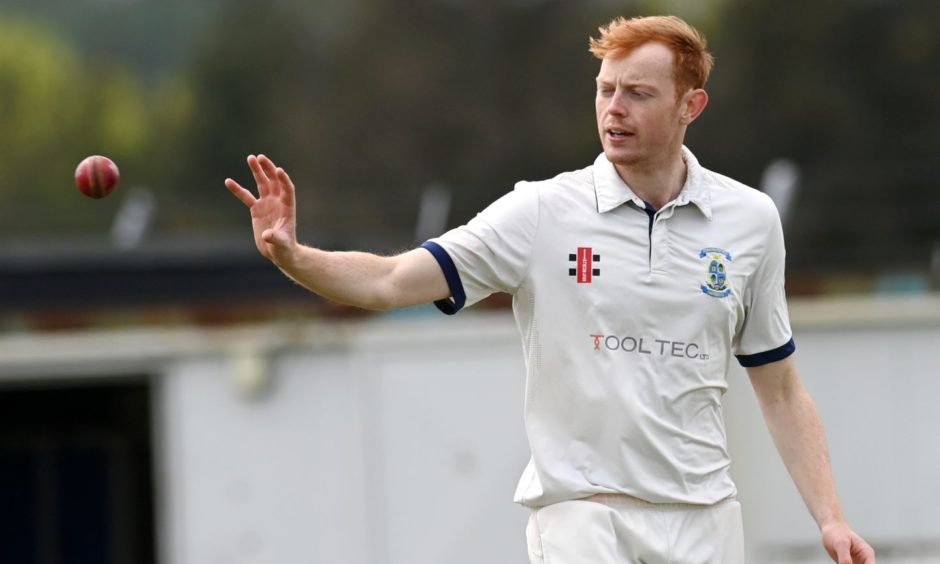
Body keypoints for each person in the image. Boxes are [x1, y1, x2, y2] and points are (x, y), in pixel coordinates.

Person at [225, 14, 875, 564]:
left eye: (638, 94)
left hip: (704, 519)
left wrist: (831, 517)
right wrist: (294, 255)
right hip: (581, 515)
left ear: (690, 105)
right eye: (605, 90)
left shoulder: (751, 221)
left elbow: (781, 388)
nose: (614, 109)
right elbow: (395, 280)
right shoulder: (540, 213)